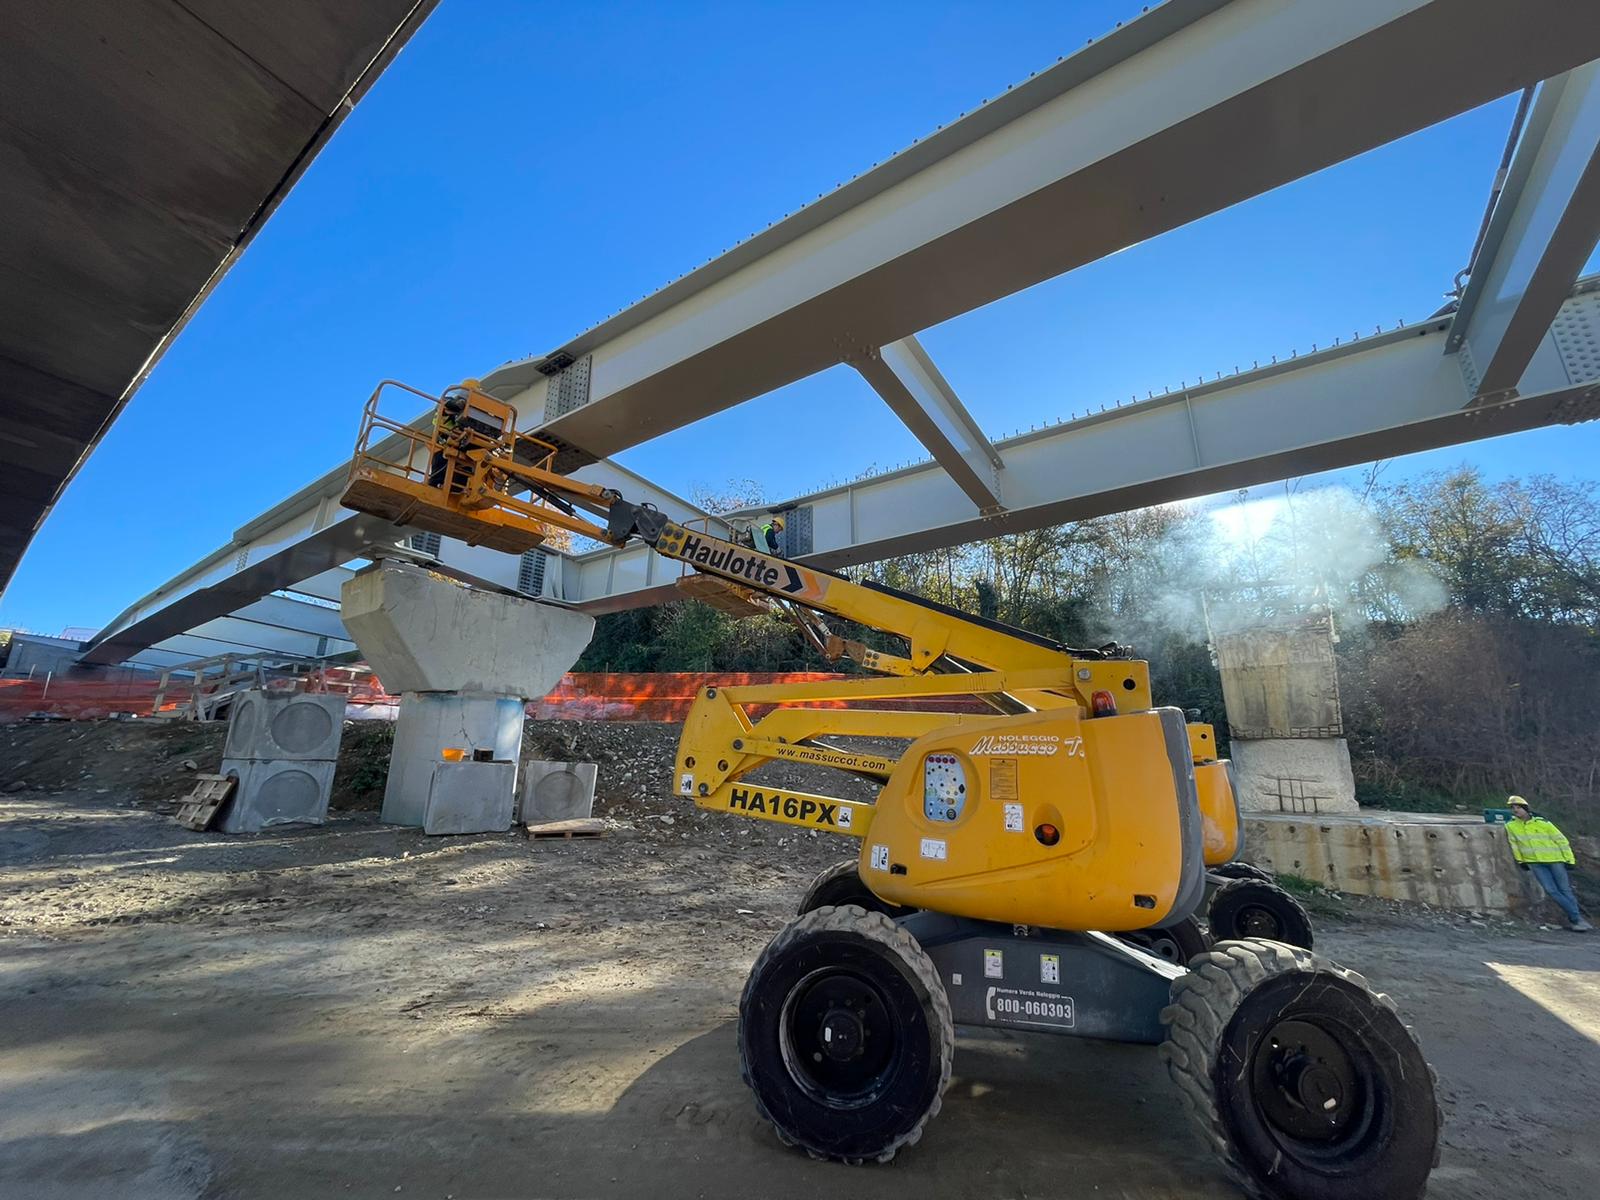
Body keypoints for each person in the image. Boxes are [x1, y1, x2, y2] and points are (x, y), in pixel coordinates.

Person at [1505, 796, 1591, 931]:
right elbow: (1514, 844)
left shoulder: (1543, 823)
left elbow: (1561, 840)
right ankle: (1577, 918)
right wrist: (1521, 860)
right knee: (1552, 891)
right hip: (1535, 863)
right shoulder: (1511, 826)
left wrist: (1569, 859)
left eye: (1518, 808)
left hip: (1555, 860)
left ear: (1525, 808)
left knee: (1565, 890)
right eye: (1513, 808)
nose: (1516, 811)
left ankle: (1576, 920)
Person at [428, 393, 467, 490]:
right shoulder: (448, 401)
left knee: (463, 463)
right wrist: (464, 404)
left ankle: (458, 487)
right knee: (441, 458)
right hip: (444, 437)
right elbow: (450, 405)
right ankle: (435, 484)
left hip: (454, 438)